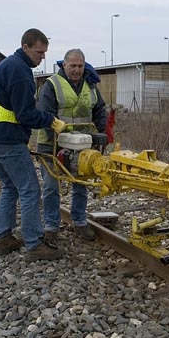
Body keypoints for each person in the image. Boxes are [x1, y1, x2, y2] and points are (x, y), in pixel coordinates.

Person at [0, 28, 67, 260]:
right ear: (25, 47)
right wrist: (50, 120)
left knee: (11, 186)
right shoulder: (20, 71)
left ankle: (3, 237)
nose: (42, 57)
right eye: (39, 52)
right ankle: (34, 244)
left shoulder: (9, 64)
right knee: (30, 189)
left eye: (44, 52)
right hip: (7, 139)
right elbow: (26, 114)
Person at [37, 48, 108, 245]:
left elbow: (100, 109)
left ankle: (79, 221)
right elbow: (45, 115)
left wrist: (100, 133)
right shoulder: (52, 85)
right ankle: (51, 226)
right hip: (51, 144)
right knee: (51, 186)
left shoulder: (90, 85)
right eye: (73, 66)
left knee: (81, 184)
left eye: (80, 66)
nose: (77, 70)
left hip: (82, 144)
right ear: (64, 65)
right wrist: (59, 141)